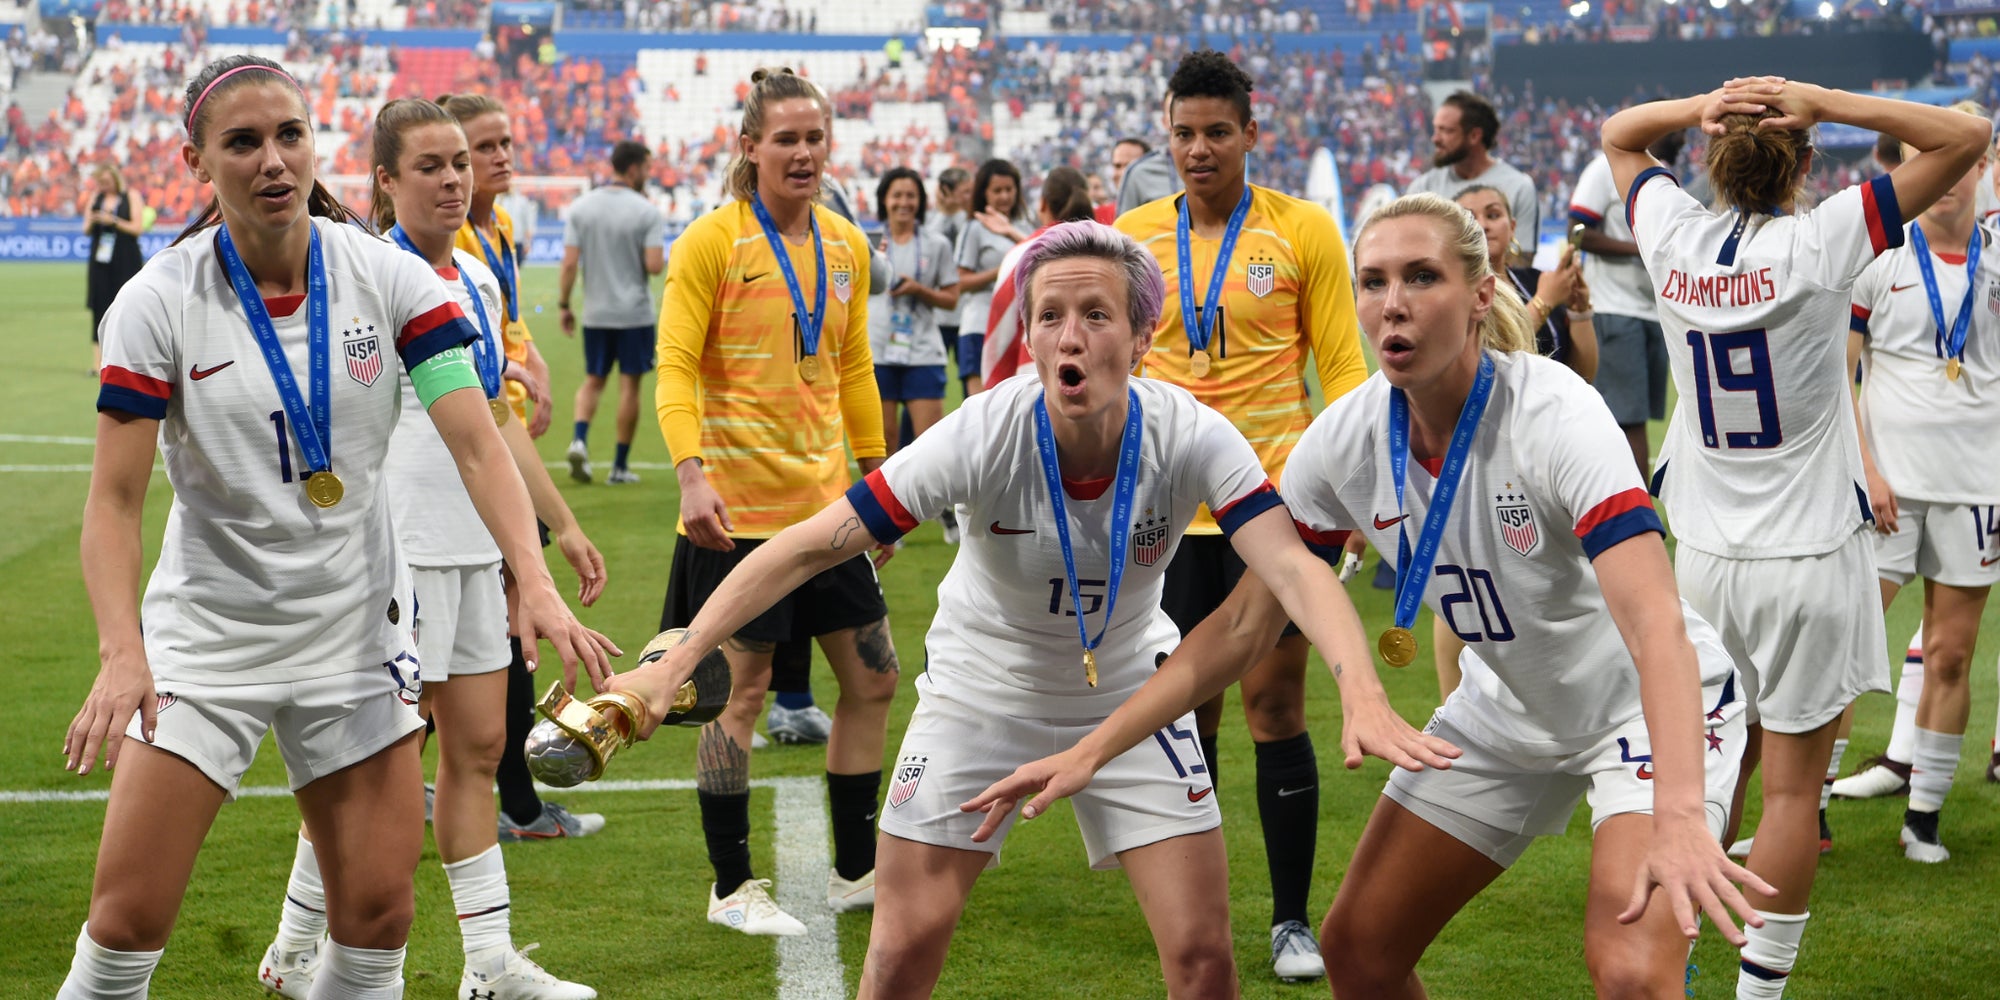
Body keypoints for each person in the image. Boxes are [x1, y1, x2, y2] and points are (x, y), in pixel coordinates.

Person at [609, 219, 1441, 999]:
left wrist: (1361, 687)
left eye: (1096, 314)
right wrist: (674, 661)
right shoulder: (983, 431)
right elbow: (807, 545)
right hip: (979, 695)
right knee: (900, 949)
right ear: (1030, 335)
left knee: (1201, 957)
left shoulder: (1191, 433)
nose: (1070, 336)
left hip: (1131, 694)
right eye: (1049, 316)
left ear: (1142, 337)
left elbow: (1292, 570)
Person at [966, 194, 1766, 1000]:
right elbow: (1245, 624)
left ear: (1481, 296)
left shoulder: (1557, 413)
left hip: (1645, 708)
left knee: (1631, 969)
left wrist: (1679, 815)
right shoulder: (1344, 442)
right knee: (1358, 951)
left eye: (1423, 277)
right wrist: (1092, 748)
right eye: (1374, 281)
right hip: (1505, 708)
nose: (1394, 304)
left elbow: (1657, 625)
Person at [59, 54, 614, 1000]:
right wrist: (123, 651)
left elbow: (479, 445)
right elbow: (113, 502)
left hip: (356, 636)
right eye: (243, 143)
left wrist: (539, 574)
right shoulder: (157, 303)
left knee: (377, 920)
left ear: (315, 144)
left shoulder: (388, 278)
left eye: (290, 136)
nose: (274, 161)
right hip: (210, 638)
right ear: (199, 162)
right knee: (126, 925)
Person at [1605, 78, 1989, 999]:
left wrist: (1698, 102)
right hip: (1811, 558)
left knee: (1696, 791)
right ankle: (1760, 992)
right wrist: (1824, 99)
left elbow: (1620, 135)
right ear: (1805, 162)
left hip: (1697, 560)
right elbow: (1967, 136)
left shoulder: (1672, 234)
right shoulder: (1824, 238)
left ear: (1707, 157)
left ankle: (1670, 968)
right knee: (1787, 794)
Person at [253, 96, 613, 1000]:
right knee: (380, 765)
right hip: (393, 556)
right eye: (431, 166)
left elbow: (489, 426)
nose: (455, 178)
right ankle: (301, 949)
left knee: (482, 750)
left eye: (462, 162)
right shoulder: (364, 276)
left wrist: (555, 528)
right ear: (384, 181)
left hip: (470, 551)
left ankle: (490, 966)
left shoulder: (481, 279)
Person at [1112, 48, 1369, 981]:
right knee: (1188, 713)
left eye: (1218, 132)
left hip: (1275, 509)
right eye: (1183, 133)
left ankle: (1292, 922)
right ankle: (1201, 911)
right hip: (1170, 510)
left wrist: (1348, 503)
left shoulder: (1303, 231)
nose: (1198, 149)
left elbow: (1343, 372)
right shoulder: (1134, 235)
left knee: (1276, 707)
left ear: (1251, 134)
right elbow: (1115, 362)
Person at [654, 66, 899, 936]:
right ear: (749, 146)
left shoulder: (846, 245)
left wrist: (879, 477)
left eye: (814, 138)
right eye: (786, 139)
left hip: (828, 516)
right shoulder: (712, 243)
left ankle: (856, 872)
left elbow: (855, 368)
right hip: (737, 519)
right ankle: (731, 889)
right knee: (739, 697)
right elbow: (675, 366)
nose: (802, 153)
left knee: (873, 680)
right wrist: (690, 472)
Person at [1829, 100, 1998, 862]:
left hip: (1979, 486)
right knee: (1843, 652)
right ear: (1902, 166)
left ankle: (1923, 815)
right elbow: (1840, 370)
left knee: (1953, 656)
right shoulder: (1878, 255)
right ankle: (1811, 813)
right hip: (1887, 489)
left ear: (1983, 167)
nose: (1951, 175)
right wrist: (1865, 468)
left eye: (1965, 160)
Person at [438, 91, 600, 843]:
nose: (494, 160)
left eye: (500, 144)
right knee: (502, 631)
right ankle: (511, 801)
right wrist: (511, 367)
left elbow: (506, 324)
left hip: (498, 440)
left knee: (491, 634)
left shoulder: (498, 228)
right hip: (468, 456)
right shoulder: (452, 245)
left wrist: (525, 358)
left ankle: (497, 795)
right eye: (477, 150)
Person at [1434, 184, 1594, 700]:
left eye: (1494, 213)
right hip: (1470, 459)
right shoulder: (1447, 292)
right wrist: (1546, 301)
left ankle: (1548, 709)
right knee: (1465, 586)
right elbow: (1488, 361)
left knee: (1547, 587)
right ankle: (1455, 712)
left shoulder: (1531, 280)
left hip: (1542, 460)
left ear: (1513, 227)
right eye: (1471, 215)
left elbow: (1584, 371)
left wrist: (1580, 311)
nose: (1484, 223)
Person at [1568, 132, 1686, 479]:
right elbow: (1577, 232)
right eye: (1676, 130)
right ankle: (1636, 511)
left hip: (1651, 312)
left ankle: (1636, 508)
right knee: (1625, 420)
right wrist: (1641, 248)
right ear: (1655, 130)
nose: (1682, 138)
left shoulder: (1666, 179)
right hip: (1615, 309)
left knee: (1639, 418)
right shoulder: (1605, 169)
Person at [559, 138, 666, 485]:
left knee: (593, 380)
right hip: (634, 314)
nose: (648, 175)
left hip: (596, 312)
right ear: (634, 169)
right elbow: (653, 265)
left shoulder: (582, 207)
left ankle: (578, 440)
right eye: (647, 168)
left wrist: (564, 305)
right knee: (629, 388)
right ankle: (619, 467)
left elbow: (570, 263)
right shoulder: (646, 211)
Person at [870, 166, 959, 453]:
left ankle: (930, 500)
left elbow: (951, 298)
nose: (904, 202)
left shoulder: (937, 244)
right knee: (882, 443)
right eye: (897, 195)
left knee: (928, 447)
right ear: (884, 199)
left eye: (911, 195)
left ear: (920, 201)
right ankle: (883, 501)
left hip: (922, 351)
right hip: (878, 349)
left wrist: (920, 290)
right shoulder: (869, 243)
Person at [981, 165, 1096, 385]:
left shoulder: (1020, 256)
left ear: (1043, 203)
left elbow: (1000, 337)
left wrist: (995, 394)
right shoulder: (1113, 251)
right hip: (1101, 382)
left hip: (1034, 383)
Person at [1406, 90, 1540, 254]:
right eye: (1435, 130)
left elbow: (1523, 262)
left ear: (1474, 136)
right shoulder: (1422, 188)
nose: (1435, 139)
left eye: (1446, 131)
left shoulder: (1519, 187)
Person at [955, 158, 1029, 398]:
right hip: (980, 325)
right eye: (997, 190)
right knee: (981, 409)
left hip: (1017, 326)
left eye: (1009, 189)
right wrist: (1004, 271)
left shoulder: (1024, 226)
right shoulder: (974, 228)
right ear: (984, 193)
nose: (1004, 196)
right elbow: (961, 282)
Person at [82, 161, 148, 374]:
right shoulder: (95, 198)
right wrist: (94, 220)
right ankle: (97, 363)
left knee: (129, 306)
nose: (103, 186)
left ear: (115, 180)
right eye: (100, 182)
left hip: (125, 257)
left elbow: (137, 228)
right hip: (100, 259)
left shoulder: (132, 196)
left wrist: (113, 220)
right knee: (100, 308)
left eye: (106, 182)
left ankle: (131, 361)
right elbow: (85, 229)